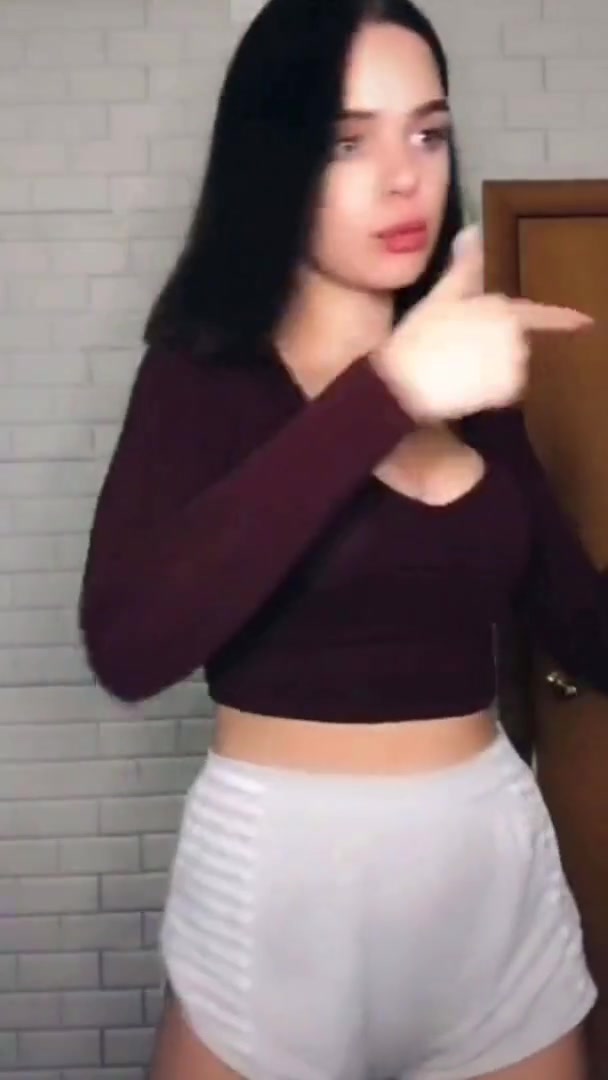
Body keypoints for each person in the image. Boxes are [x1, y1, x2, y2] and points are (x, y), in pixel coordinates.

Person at [78, 0, 608, 1077]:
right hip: (281, 888)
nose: (405, 178)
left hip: (489, 873)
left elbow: (585, 632)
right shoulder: (203, 378)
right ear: (274, 162)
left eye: (428, 132)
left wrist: (436, 387)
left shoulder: (478, 391)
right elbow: (129, 645)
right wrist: (389, 391)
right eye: (345, 142)